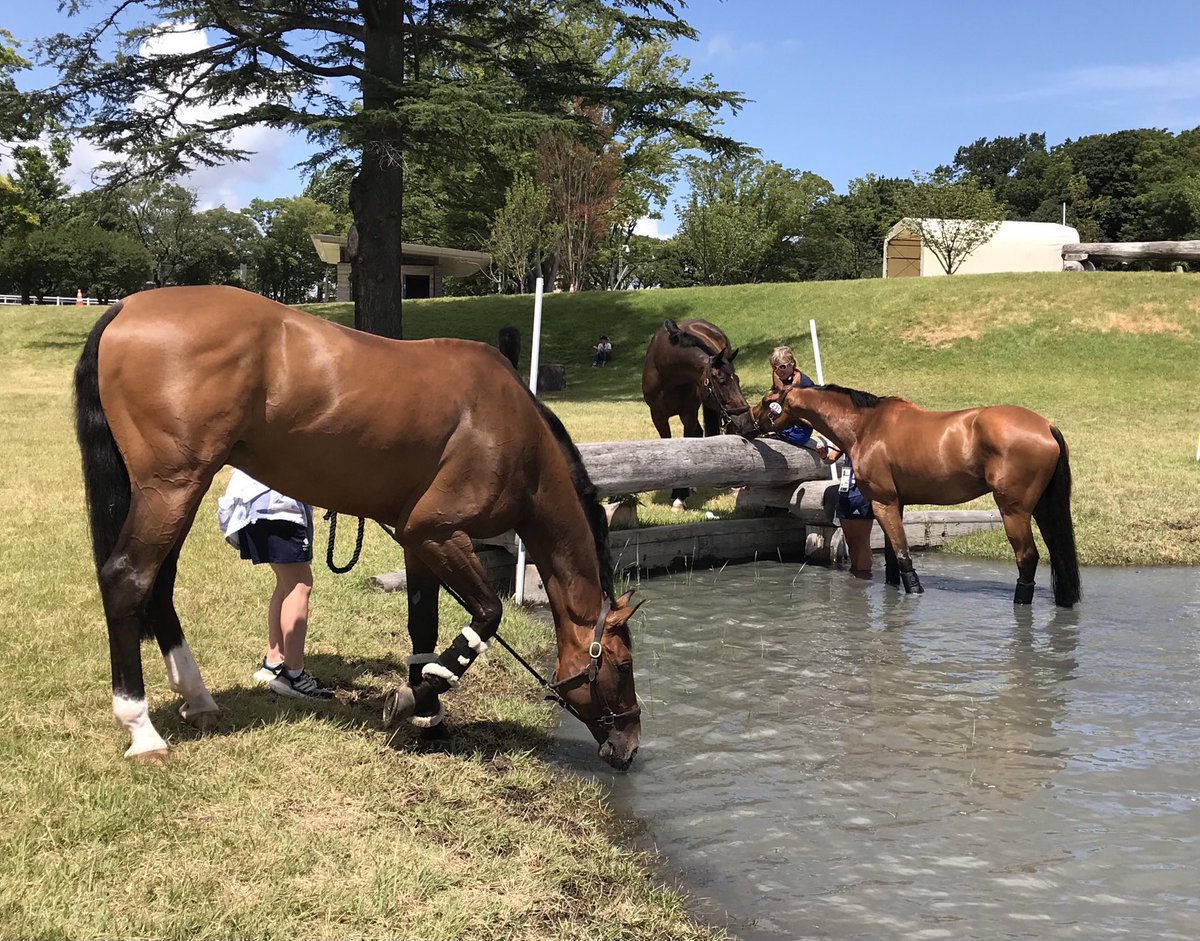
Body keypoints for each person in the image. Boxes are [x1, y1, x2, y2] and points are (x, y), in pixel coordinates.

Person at [217, 469, 332, 700]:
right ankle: (293, 675)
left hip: (254, 506)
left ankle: (274, 661)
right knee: (300, 584)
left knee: (286, 583)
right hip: (279, 507)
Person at [824, 444, 874, 576]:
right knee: (850, 540)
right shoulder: (843, 438)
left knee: (862, 540)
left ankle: (863, 577)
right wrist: (823, 454)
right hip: (845, 492)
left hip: (862, 492)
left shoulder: (867, 436)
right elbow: (830, 458)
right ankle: (854, 573)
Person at [768, 345, 817, 446]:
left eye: (782, 367)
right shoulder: (779, 381)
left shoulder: (804, 383)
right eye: (774, 368)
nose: (778, 371)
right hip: (780, 426)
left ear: (792, 363)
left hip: (799, 430)